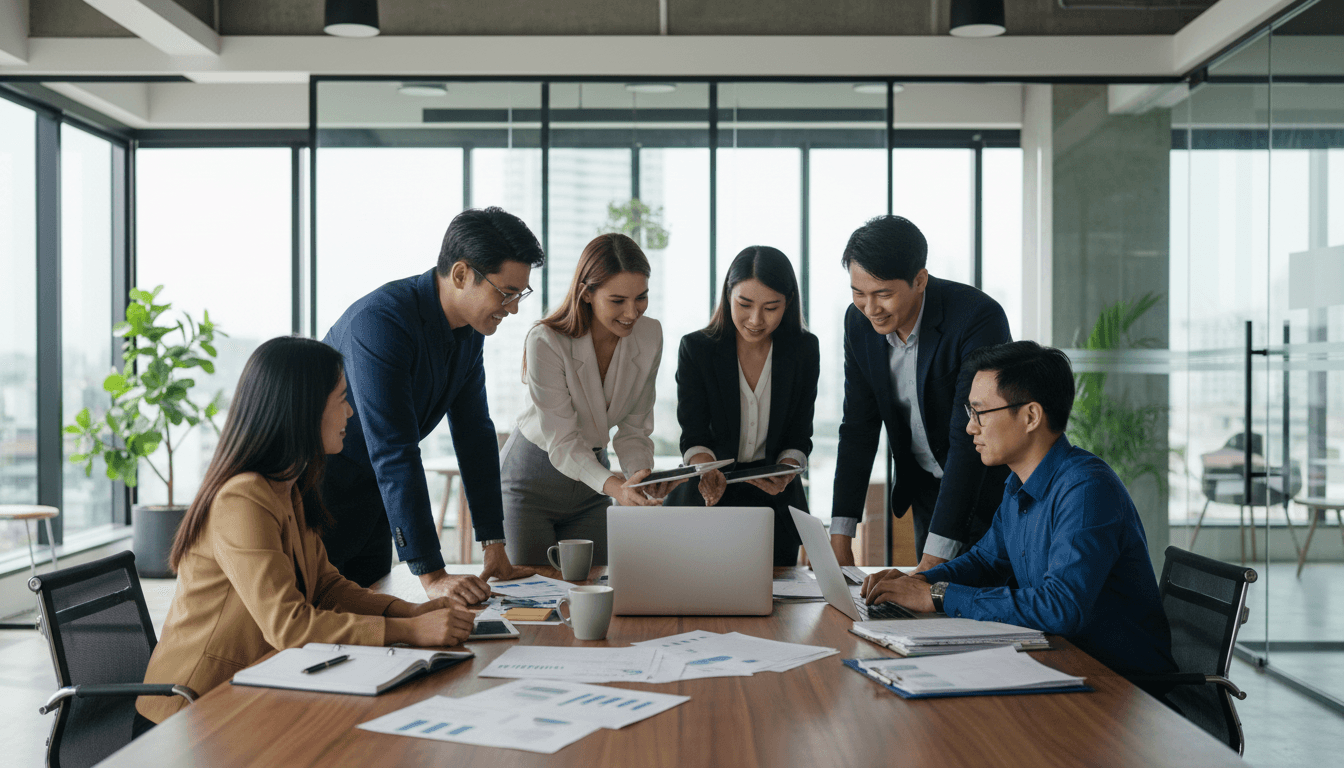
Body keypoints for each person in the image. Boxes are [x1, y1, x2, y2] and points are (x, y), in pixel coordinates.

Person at [138, 337, 474, 727]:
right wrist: (410, 631)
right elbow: (289, 626)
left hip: (252, 691)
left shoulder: (287, 487)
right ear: (303, 408)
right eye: (342, 399)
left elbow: (328, 588)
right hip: (189, 713)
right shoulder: (242, 498)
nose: (351, 411)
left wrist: (413, 612)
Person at [862, 341, 1177, 678]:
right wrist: (916, 583)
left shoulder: (1086, 490)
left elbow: (1061, 607)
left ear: (1030, 416)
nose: (971, 427)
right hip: (1059, 660)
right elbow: (984, 562)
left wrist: (937, 596)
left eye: (980, 412)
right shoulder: (1018, 485)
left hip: (1121, 686)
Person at [315, 207, 544, 603]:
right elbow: (394, 450)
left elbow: (474, 433)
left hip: (375, 498)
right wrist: (433, 574)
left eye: (520, 293)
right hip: (320, 492)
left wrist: (494, 544)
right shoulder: (381, 322)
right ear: (460, 275)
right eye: (505, 293)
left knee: (370, 613)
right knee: (314, 625)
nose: (513, 308)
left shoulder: (470, 333)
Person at [830, 215, 1012, 573]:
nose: (870, 309)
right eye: (858, 293)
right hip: (927, 492)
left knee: (981, 610)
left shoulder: (976, 318)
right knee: (930, 616)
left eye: (883, 294)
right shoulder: (858, 323)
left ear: (919, 280)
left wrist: (930, 565)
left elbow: (967, 434)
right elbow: (858, 428)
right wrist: (840, 538)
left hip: (987, 491)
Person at [501, 233, 681, 566]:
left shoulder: (649, 335)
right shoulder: (546, 340)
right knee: (533, 591)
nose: (632, 312)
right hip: (533, 480)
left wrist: (640, 478)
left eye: (641, 297)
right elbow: (564, 441)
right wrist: (617, 488)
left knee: (598, 584)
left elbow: (634, 428)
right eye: (617, 300)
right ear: (586, 293)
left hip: (594, 483)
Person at [668, 245, 820, 566]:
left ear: (788, 303)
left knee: (775, 604)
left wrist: (788, 469)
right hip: (709, 495)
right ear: (727, 296)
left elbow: (799, 434)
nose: (755, 320)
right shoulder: (697, 349)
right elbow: (693, 433)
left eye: (771, 307)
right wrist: (705, 469)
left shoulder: (804, 350)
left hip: (776, 503)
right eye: (745, 304)